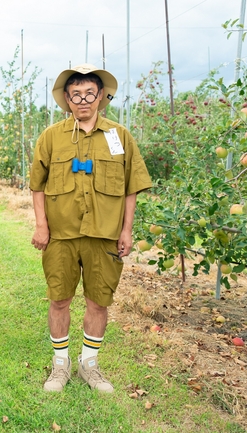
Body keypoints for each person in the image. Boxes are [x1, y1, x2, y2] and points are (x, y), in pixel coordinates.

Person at [30, 64, 151, 393]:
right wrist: (41, 225)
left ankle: (89, 364)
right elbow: (37, 185)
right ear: (67, 100)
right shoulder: (51, 137)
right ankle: (60, 365)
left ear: (101, 97)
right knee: (59, 300)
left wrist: (126, 231)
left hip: (104, 235)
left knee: (99, 301)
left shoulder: (119, 136)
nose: (82, 100)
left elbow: (131, 187)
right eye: (75, 95)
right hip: (61, 236)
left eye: (89, 94)